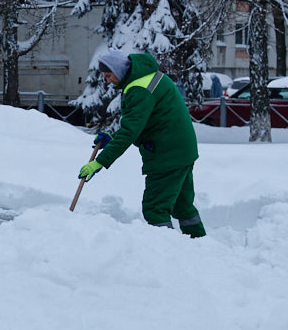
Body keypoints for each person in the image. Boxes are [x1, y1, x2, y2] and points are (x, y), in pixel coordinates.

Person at [77, 50, 206, 238]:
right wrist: (113, 138)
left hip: (166, 154)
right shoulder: (149, 76)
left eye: (108, 75)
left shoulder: (138, 89)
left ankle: (166, 252)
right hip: (182, 149)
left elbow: (131, 131)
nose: (107, 81)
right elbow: (147, 120)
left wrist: (100, 162)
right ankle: (200, 244)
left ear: (119, 70)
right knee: (182, 205)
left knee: (155, 207)